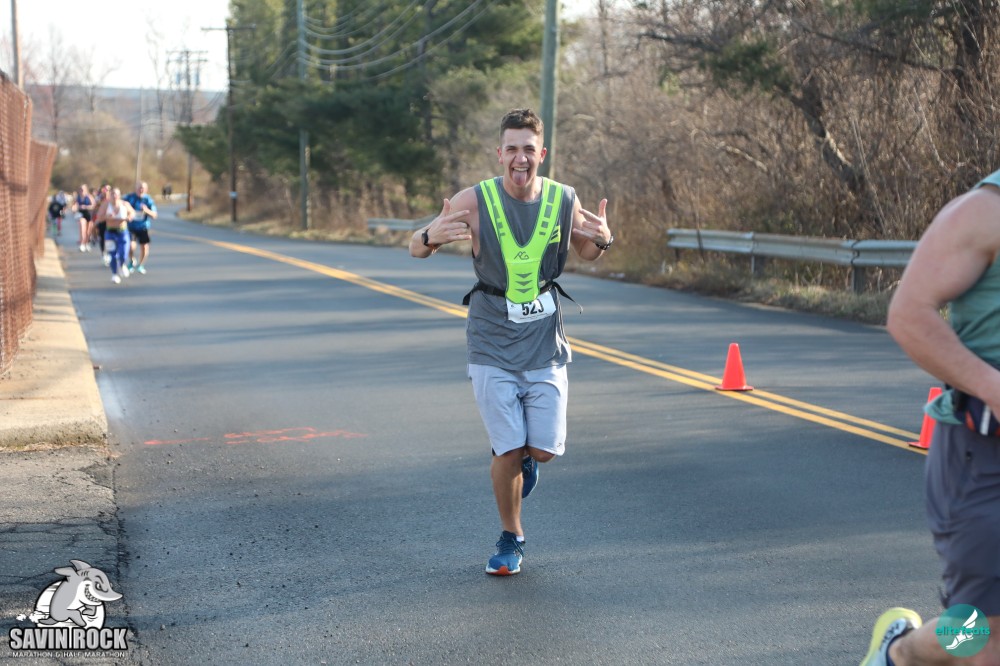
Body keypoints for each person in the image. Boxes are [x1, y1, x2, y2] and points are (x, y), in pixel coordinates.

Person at [409, 108, 612, 576]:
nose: (521, 158)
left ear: (542, 154)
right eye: (512, 149)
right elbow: (416, 247)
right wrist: (430, 235)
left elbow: (587, 251)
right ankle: (511, 536)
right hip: (490, 340)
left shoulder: (563, 198)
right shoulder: (476, 199)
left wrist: (604, 239)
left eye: (529, 150)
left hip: (544, 343)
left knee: (541, 450)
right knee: (506, 448)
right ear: (499, 154)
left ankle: (523, 459)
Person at [861, 170, 1000, 665]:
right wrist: (992, 386)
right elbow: (909, 314)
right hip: (983, 452)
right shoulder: (985, 212)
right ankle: (904, 652)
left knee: (981, 629)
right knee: (985, 632)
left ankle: (905, 652)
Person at [96, 188, 135, 284]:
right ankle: (114, 274)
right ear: (110, 195)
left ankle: (122, 265)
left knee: (123, 253)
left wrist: (129, 217)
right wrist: (106, 217)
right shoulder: (105, 205)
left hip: (122, 232)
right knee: (112, 255)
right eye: (112, 194)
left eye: (116, 194)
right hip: (110, 232)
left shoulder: (124, 204)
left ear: (119, 195)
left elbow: (132, 212)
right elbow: (99, 217)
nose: (114, 196)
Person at [123, 181, 157, 274]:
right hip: (131, 227)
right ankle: (131, 261)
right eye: (139, 188)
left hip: (143, 227)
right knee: (130, 246)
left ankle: (141, 265)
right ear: (136, 188)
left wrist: (146, 210)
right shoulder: (129, 197)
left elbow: (154, 215)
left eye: (143, 188)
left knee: (145, 247)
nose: (141, 190)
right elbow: (120, 204)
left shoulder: (148, 200)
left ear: (146, 189)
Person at [75, 185, 95, 252]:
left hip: (88, 215)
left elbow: (93, 206)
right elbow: (75, 204)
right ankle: (82, 244)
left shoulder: (89, 197)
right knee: (82, 229)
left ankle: (86, 243)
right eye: (80, 189)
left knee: (88, 231)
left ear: (86, 190)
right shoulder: (78, 197)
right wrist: (75, 208)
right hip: (81, 215)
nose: (81, 191)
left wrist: (85, 207)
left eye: (83, 189)